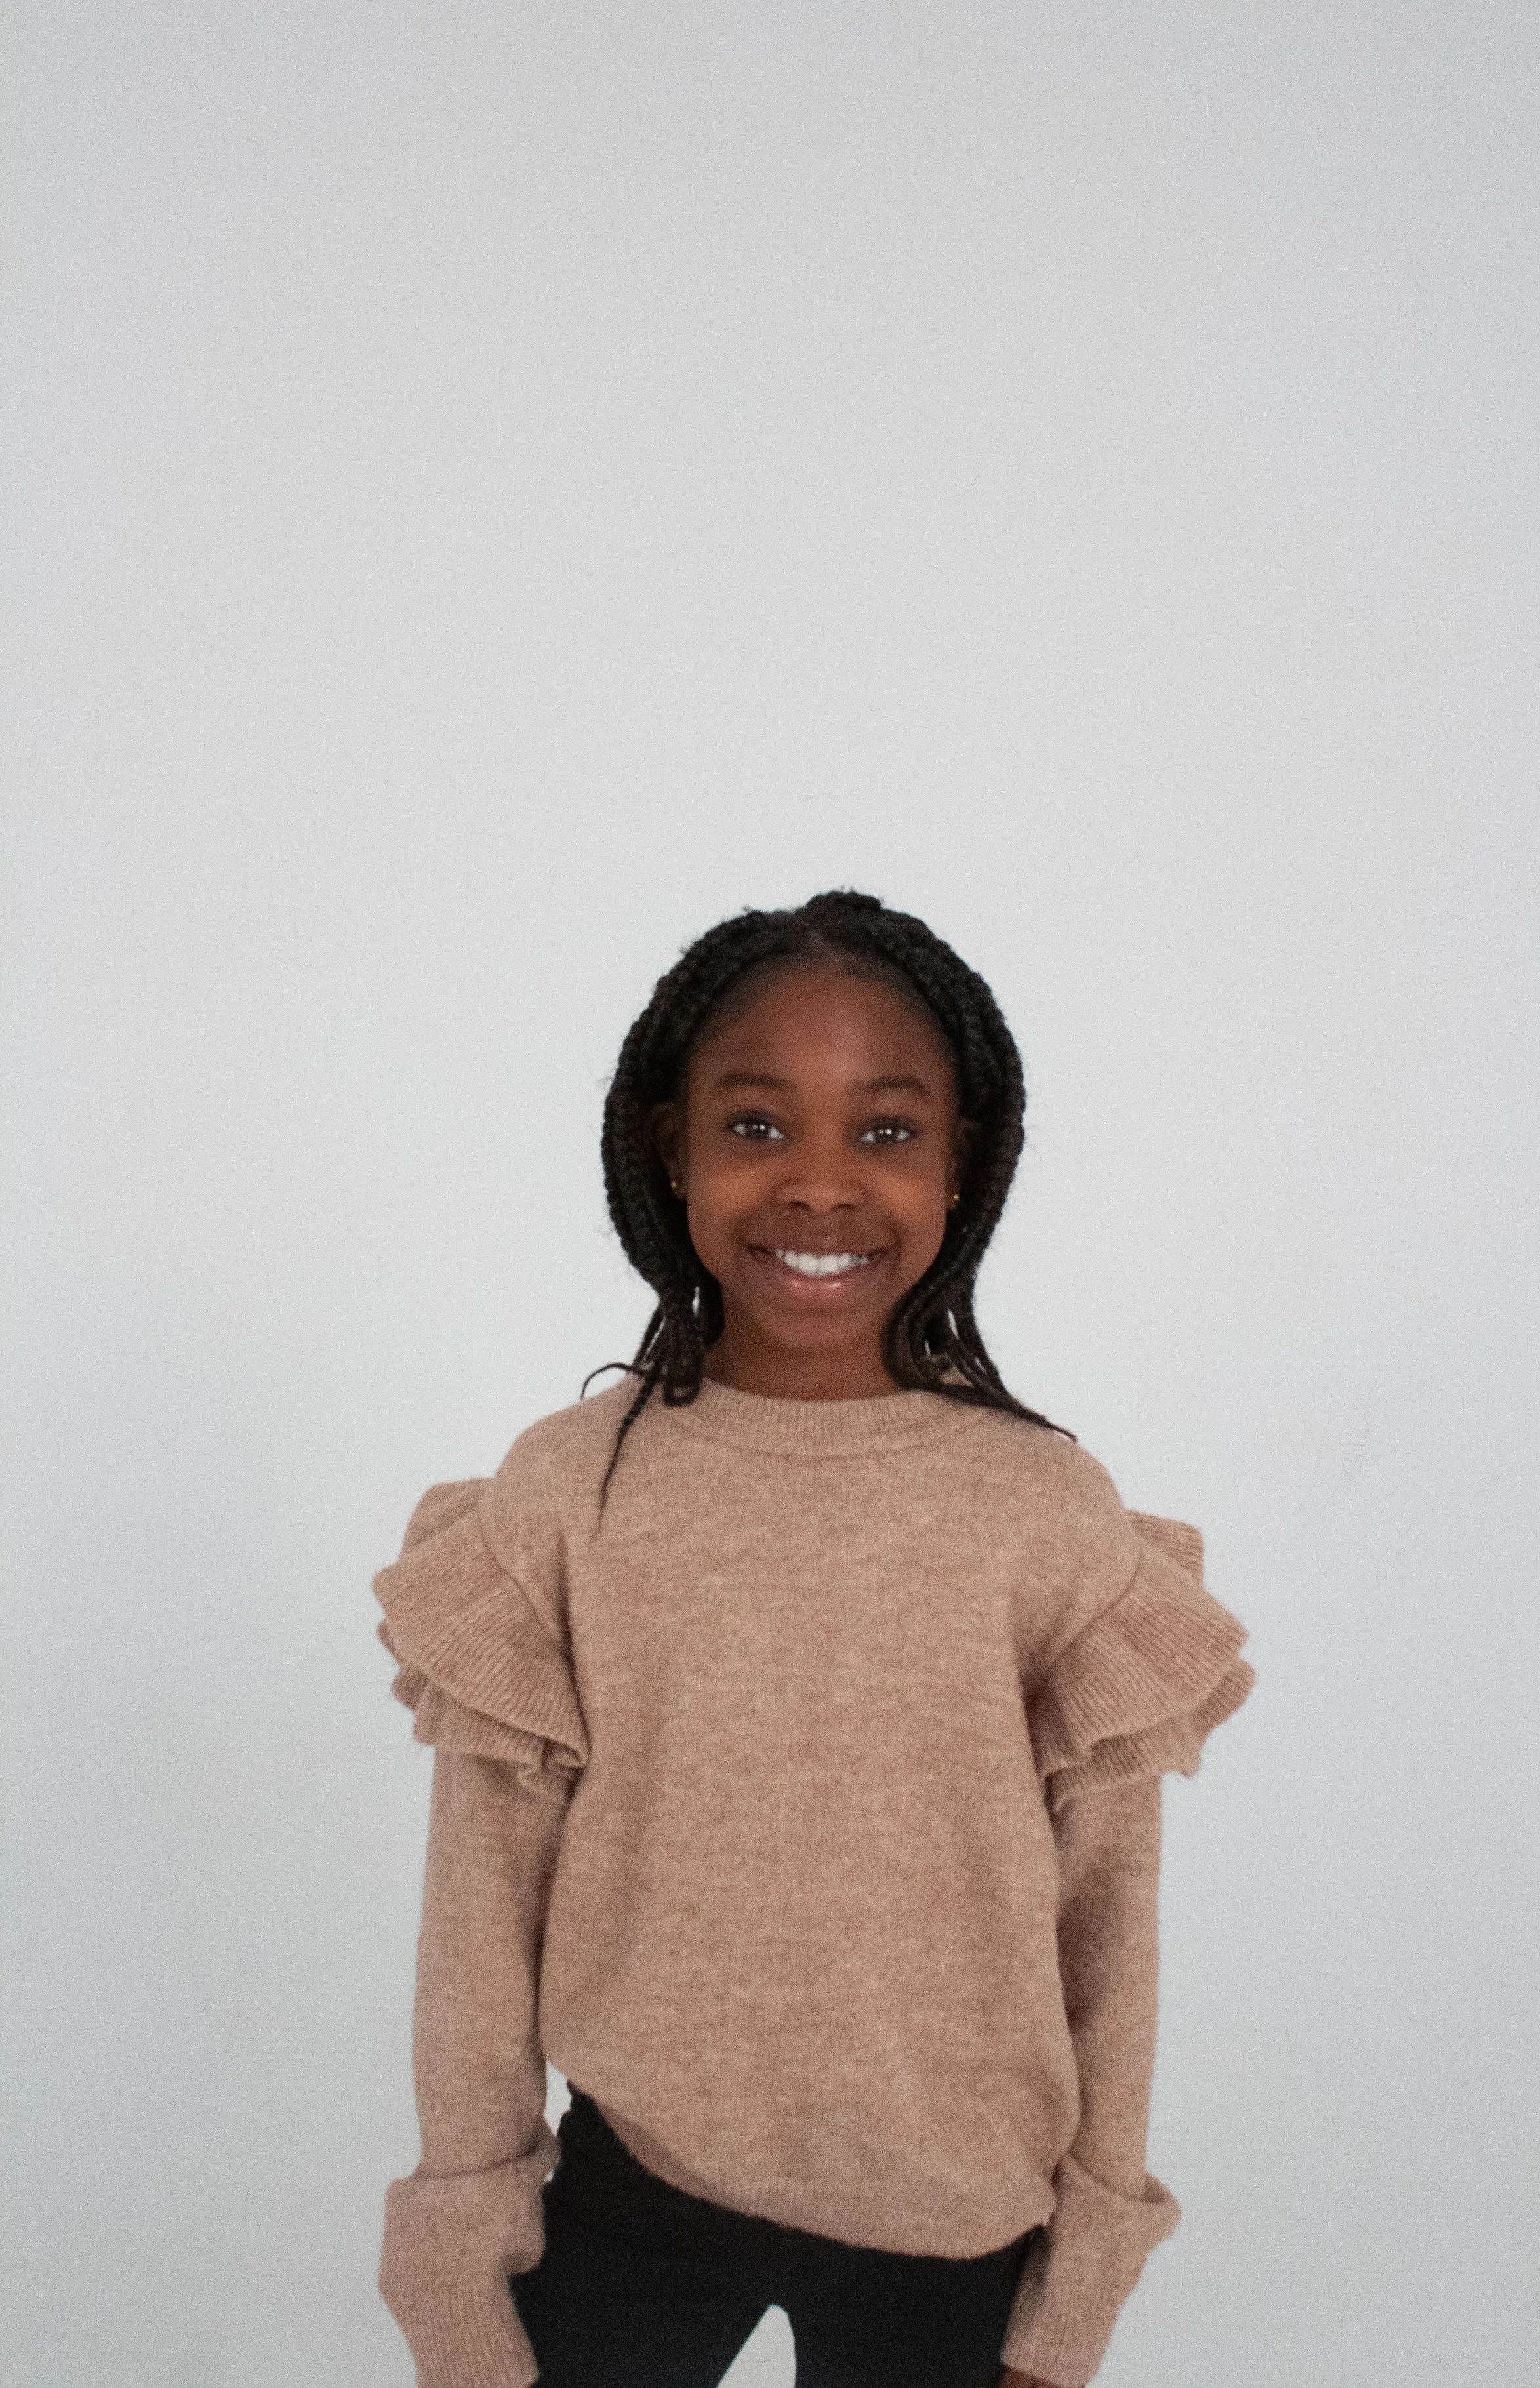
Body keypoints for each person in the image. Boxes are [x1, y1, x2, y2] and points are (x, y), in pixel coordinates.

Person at [371, 889, 1255, 2388]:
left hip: (960, 2228)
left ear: (962, 1162)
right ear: (673, 1147)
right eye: (760, 1126)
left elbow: (1108, 1928)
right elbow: (477, 1912)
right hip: (632, 2200)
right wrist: (460, 2271)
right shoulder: (572, 1492)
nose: (820, 1187)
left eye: (887, 1132)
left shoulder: (1042, 1511)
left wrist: (1074, 2298)